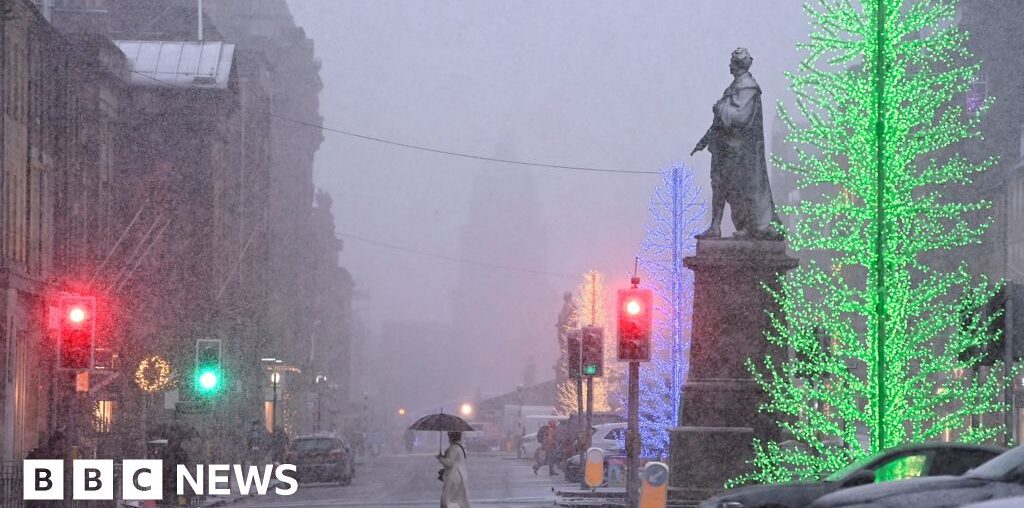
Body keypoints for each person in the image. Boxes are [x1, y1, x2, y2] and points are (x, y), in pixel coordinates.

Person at [691, 48, 780, 239]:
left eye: (732, 62)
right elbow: (719, 123)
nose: (729, 65)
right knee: (719, 185)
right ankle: (715, 226)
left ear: (738, 64)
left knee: (738, 188)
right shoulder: (736, 86)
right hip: (724, 147)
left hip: (738, 151)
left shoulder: (748, 86)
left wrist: (720, 107)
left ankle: (750, 226)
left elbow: (740, 117)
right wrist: (705, 139)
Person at [437, 431, 470, 508]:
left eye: (449, 436)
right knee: (458, 498)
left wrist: (440, 458)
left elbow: (449, 463)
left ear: (451, 437)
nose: (448, 438)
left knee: (448, 499)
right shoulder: (461, 447)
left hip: (453, 476)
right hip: (461, 475)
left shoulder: (453, 448)